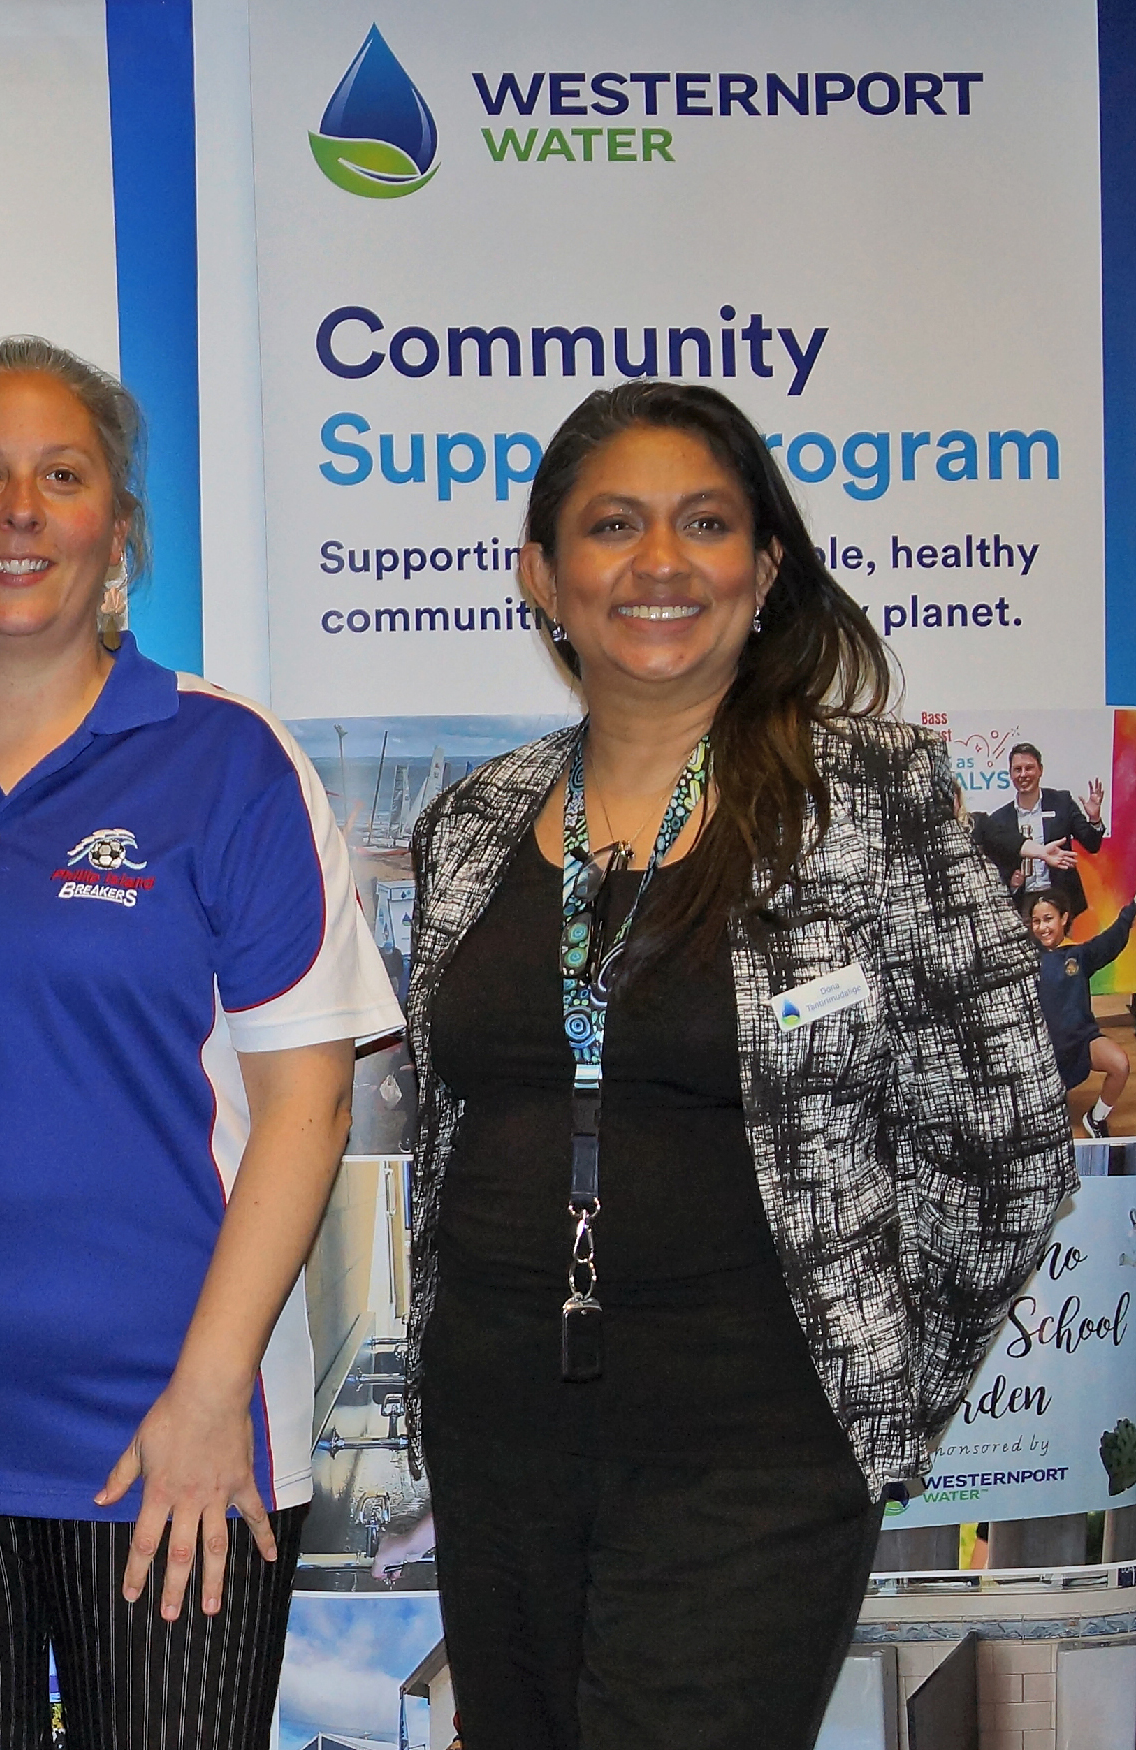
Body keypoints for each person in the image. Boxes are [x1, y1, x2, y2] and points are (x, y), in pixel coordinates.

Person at [407, 380, 1076, 1749]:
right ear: (541, 575)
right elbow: (451, 1120)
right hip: (498, 1429)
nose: (659, 561)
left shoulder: (872, 798)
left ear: (764, 568)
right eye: (613, 525)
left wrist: (870, 1386)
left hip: (752, 1443)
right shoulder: (472, 818)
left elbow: (1006, 1143)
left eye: (704, 523)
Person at [0, 337, 401, 1750]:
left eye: (62, 477)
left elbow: (308, 1109)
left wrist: (208, 1394)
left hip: (171, 1415)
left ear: (118, 528)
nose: (21, 511)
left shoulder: (228, 760)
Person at [1027, 893, 1135, 1137]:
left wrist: (1131, 911)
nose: (1043, 927)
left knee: (1120, 1065)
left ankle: (1096, 1119)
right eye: (1036, 921)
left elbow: (1110, 940)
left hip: (1082, 1040)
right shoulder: (1027, 960)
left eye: (1048, 919)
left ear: (1064, 918)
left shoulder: (1078, 955)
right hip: (1044, 1050)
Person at [972, 742, 1105, 920]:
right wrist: (1012, 882)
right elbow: (996, 867)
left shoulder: (1062, 802)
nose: (1023, 774)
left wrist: (1095, 819)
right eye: (1017, 769)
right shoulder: (998, 819)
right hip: (1021, 905)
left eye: (1029, 768)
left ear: (1040, 770)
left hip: (1060, 900)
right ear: (1010, 774)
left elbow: (1092, 844)